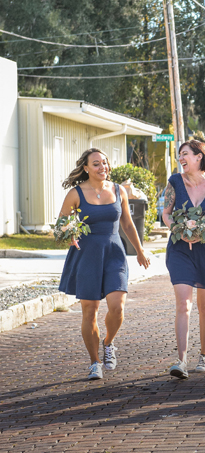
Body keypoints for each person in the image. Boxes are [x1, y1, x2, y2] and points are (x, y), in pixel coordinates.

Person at [58, 148, 150, 380]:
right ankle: (94, 362)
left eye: (105, 163)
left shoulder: (119, 190)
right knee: (90, 310)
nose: (103, 168)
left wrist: (139, 251)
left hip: (114, 253)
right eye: (96, 164)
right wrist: (67, 233)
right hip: (86, 255)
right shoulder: (75, 194)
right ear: (86, 168)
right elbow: (61, 224)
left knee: (117, 307)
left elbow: (127, 224)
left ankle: (108, 343)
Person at [162, 140, 205, 379]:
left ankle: (204, 355)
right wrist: (177, 230)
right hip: (180, 248)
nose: (181, 158)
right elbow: (166, 214)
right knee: (183, 304)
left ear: (199, 157)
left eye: (185, 154)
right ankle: (181, 360)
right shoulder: (174, 182)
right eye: (180, 155)